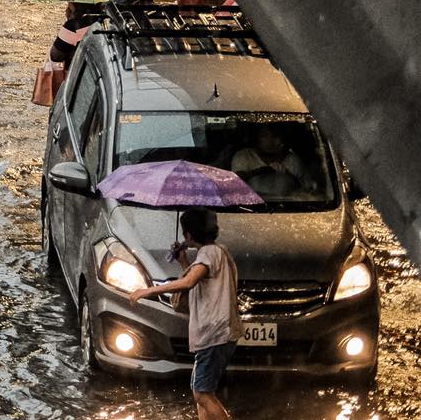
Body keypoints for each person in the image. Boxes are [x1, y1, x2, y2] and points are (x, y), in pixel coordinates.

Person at [126, 208, 237, 420]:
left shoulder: (208, 254)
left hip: (213, 334)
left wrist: (147, 290)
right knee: (201, 389)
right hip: (216, 334)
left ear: (188, 235)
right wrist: (183, 261)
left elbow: (188, 282)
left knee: (202, 394)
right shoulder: (218, 252)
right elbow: (198, 280)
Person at [230, 128, 310, 199]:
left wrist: (288, 176)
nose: (270, 141)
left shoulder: (293, 160)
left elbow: (308, 190)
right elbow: (235, 186)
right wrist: (262, 171)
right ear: (257, 138)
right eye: (264, 136)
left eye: (275, 136)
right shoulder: (244, 157)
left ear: (282, 139)